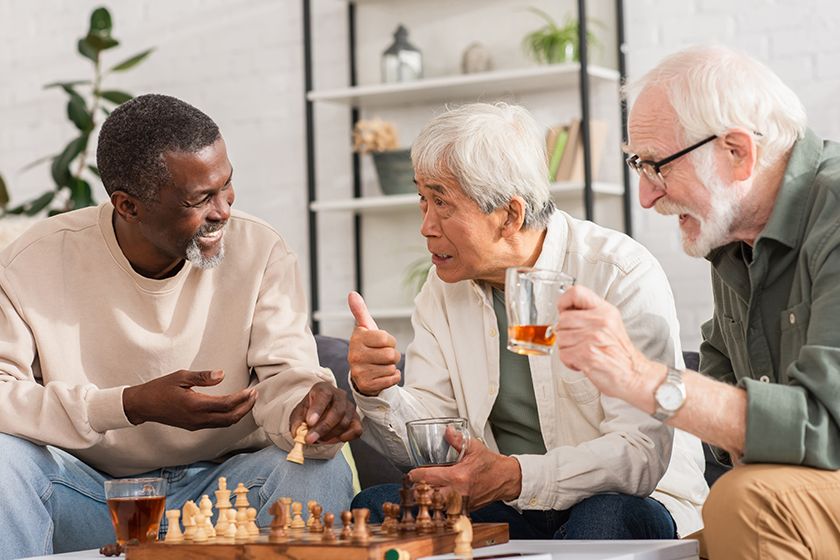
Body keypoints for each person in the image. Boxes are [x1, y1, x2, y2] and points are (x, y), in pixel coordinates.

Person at [0, 94, 361, 559]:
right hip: (92, 497)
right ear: (128, 206)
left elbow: (285, 377)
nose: (224, 210)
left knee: (320, 472)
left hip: (228, 490)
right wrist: (129, 405)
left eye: (227, 186)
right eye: (200, 199)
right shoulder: (34, 262)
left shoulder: (261, 250)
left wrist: (304, 412)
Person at [347, 102, 708, 541]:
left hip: (633, 499)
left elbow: (639, 455)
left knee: (603, 520)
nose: (425, 226)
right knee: (376, 509)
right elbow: (437, 448)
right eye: (423, 199)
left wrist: (514, 475)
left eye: (442, 203)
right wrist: (376, 389)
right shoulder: (441, 292)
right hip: (508, 506)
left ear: (510, 216)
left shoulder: (618, 273)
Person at [553, 44, 840, 559]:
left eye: (657, 166)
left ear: (737, 152)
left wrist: (639, 378)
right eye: (638, 166)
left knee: (744, 502)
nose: (646, 196)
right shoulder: (735, 242)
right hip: (804, 490)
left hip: (799, 485)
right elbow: (724, 393)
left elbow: (826, 426)